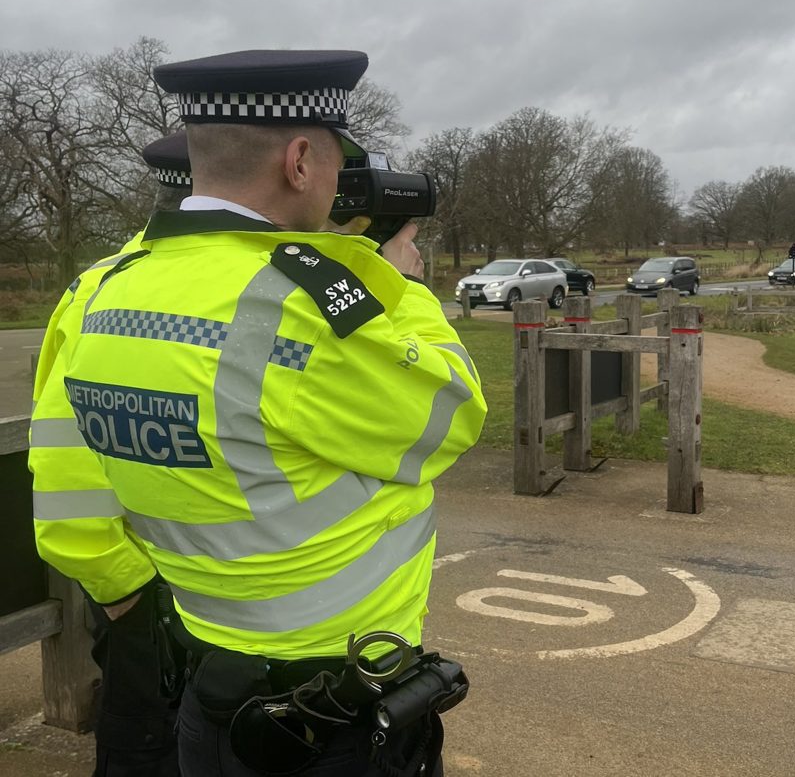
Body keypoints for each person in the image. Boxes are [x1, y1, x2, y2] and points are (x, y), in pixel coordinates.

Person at [30, 49, 486, 776]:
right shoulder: (295, 308)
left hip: (209, 686)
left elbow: (73, 490)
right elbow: (450, 414)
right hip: (333, 705)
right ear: (300, 160)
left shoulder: (102, 293)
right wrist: (393, 282)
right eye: (338, 162)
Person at [30, 131, 193, 777]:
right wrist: (133, 598)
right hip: (155, 602)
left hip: (163, 597)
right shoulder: (106, 292)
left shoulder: (95, 287)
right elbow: (66, 467)